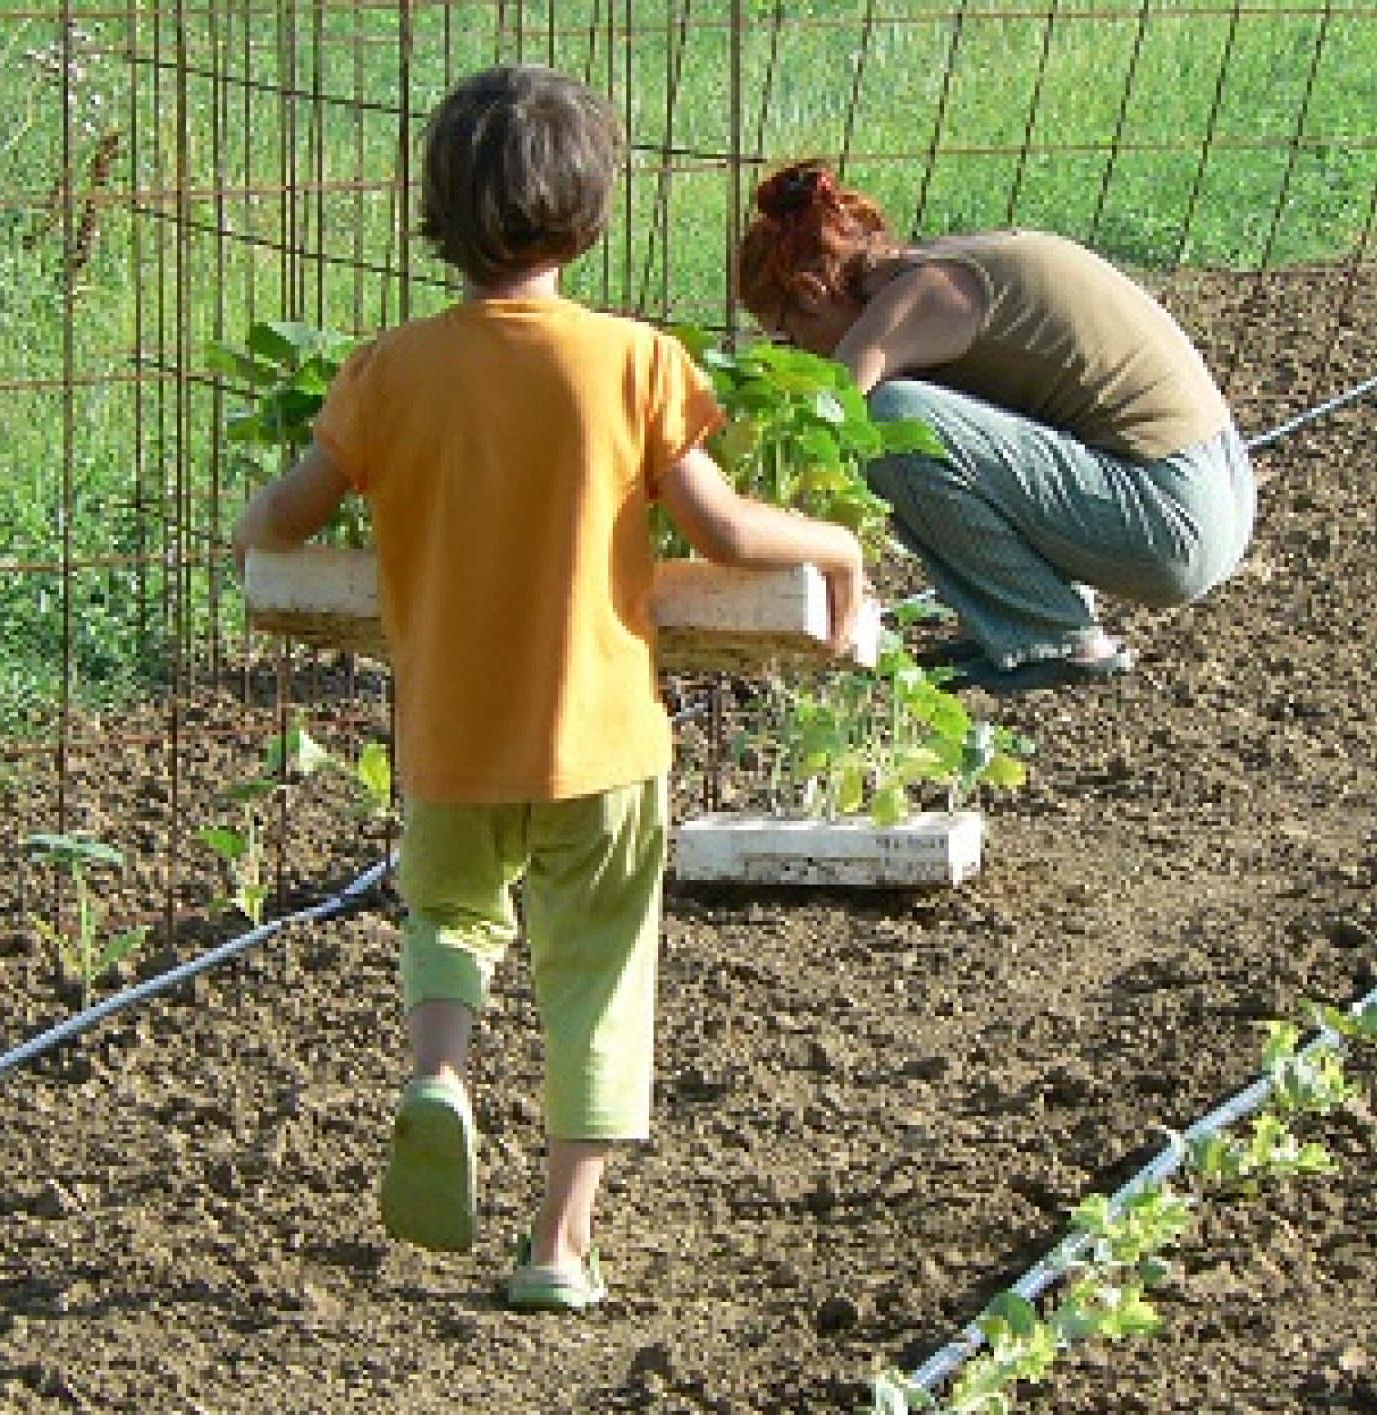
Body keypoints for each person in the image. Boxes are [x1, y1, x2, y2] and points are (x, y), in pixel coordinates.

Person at [233, 68, 865, 1312]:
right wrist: (839, 553)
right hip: (605, 745)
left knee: (451, 913)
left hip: (449, 741)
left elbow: (282, 525)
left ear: (438, 216)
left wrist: (253, 525)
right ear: (590, 213)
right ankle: (559, 1249)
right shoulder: (637, 363)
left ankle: (442, 1075)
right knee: (597, 978)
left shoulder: (388, 371)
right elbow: (727, 535)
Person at [735, 159, 1256, 693]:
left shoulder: (918, 303)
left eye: (787, 337)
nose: (797, 355)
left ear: (811, 294)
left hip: (1173, 519)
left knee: (888, 420)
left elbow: (824, 423)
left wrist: (735, 522)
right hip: (1214, 489)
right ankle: (1022, 623)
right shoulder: (947, 265)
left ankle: (1053, 636)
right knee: (921, 419)